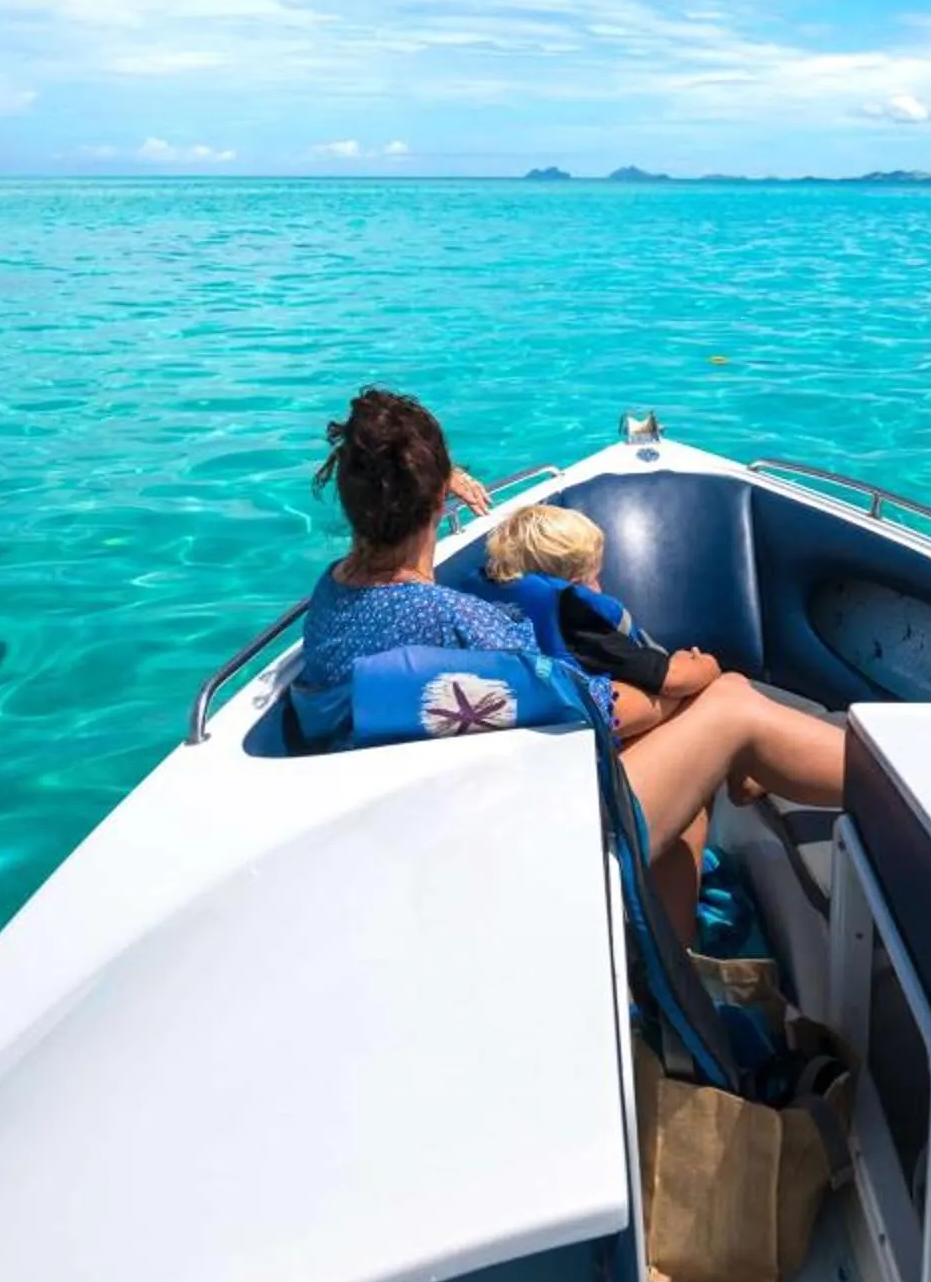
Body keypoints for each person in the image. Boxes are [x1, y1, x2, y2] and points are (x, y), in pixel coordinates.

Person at [297, 388, 846, 929]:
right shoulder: (460, 623)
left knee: (690, 797)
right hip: (526, 842)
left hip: (418, 832)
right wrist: (683, 688)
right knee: (728, 702)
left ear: (353, 503)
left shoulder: (330, 601)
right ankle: (899, 783)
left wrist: (441, 479)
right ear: (442, 501)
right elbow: (603, 710)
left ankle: (665, 974)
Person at [480, 502, 724, 715]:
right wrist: (706, 666)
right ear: (574, 585)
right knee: (730, 687)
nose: (598, 586)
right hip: (592, 731)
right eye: (594, 578)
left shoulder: (493, 601)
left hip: (538, 713)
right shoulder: (574, 616)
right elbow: (671, 681)